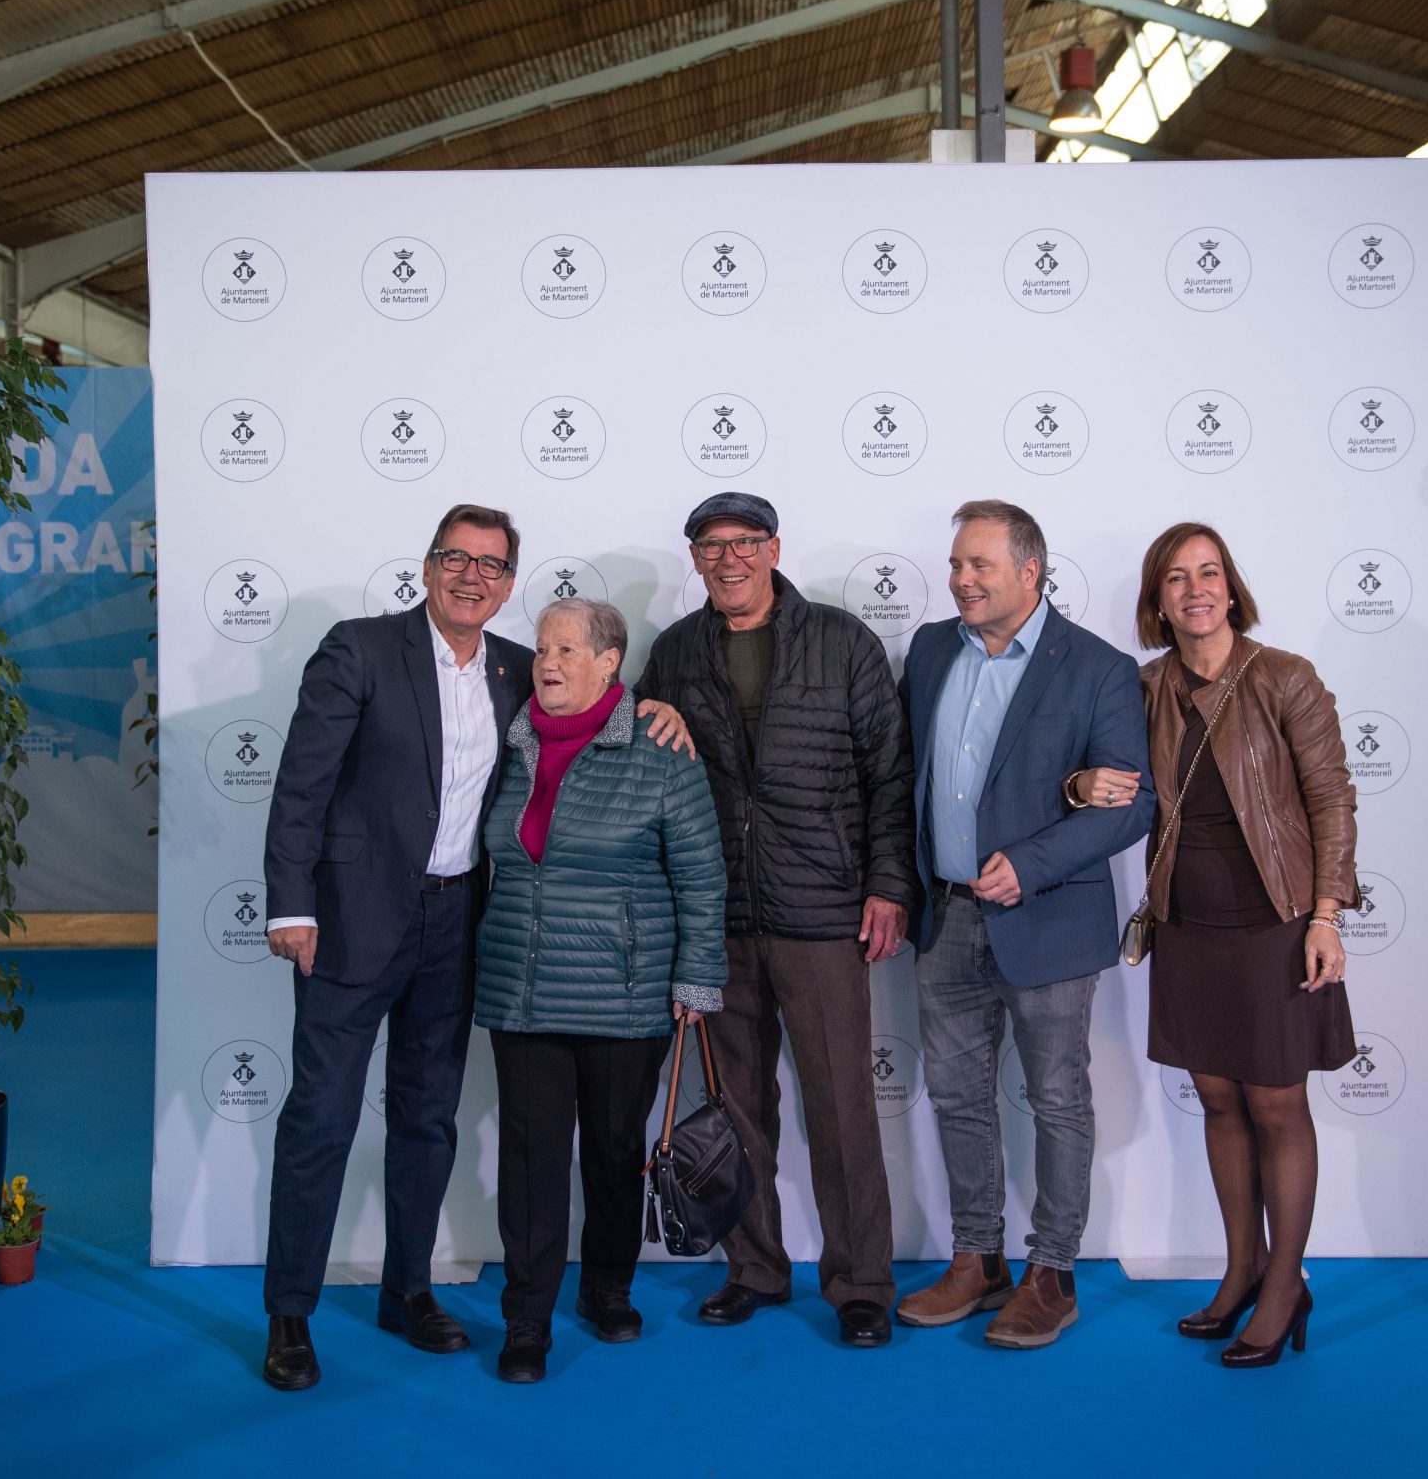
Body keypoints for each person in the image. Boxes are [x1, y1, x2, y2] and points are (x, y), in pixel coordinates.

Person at [254, 506, 688, 1392]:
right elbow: (301, 784)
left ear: (508, 583)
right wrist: (292, 905)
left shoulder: (518, 668)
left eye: (491, 565)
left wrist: (656, 708)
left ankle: (407, 1289)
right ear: (427, 566)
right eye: (456, 557)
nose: (471, 576)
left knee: (427, 1116)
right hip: (351, 920)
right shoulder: (360, 649)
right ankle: (290, 1312)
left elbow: (594, 692)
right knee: (322, 1117)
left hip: (457, 924)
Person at [631, 491, 918, 1348]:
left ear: (774, 549)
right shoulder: (675, 652)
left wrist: (888, 882)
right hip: (717, 915)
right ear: (694, 558)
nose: (729, 557)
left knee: (842, 1106)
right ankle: (754, 1267)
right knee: (736, 1105)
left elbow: (889, 773)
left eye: (745, 541)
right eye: (711, 545)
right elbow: (644, 769)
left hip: (822, 910)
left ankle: (861, 1281)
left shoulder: (841, 640)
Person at [1083, 522, 1355, 1369]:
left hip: (1275, 918)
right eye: (1176, 577)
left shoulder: (1285, 677)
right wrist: (1079, 782)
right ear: (1158, 600)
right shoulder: (1145, 688)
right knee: (1218, 1098)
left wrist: (1327, 913)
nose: (1195, 589)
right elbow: (1098, 772)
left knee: (1276, 1102)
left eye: (1209, 573)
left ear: (1231, 589)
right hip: (1188, 922)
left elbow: (1331, 798)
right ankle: (1242, 1268)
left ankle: (1285, 1285)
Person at [895, 500, 1154, 1348]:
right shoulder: (931, 649)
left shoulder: (1099, 668)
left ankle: (1053, 1272)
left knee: (1057, 1099)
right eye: (956, 564)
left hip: (1048, 917)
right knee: (958, 1097)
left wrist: (1033, 862)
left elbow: (1132, 803)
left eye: (980, 565)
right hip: (945, 916)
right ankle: (978, 1259)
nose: (960, 579)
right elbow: (909, 777)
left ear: (1030, 572)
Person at [474, 598, 727, 1384]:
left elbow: (701, 872)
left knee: (615, 1153)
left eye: (566, 650)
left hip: (626, 995)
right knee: (530, 1160)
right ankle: (527, 1317)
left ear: (610, 661)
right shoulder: (508, 738)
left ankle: (608, 1288)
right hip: (522, 990)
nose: (546, 663)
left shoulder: (660, 745)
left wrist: (698, 976)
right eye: (542, 648)